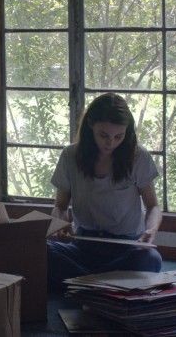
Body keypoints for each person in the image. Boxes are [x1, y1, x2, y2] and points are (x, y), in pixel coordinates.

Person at [47, 92, 163, 289]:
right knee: (42, 251)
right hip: (84, 244)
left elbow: (153, 206)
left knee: (150, 259)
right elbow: (60, 205)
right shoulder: (70, 155)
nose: (110, 143)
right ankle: (107, 283)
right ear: (90, 125)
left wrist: (151, 230)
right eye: (104, 135)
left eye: (119, 136)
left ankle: (84, 283)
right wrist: (60, 224)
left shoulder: (138, 156)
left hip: (125, 246)